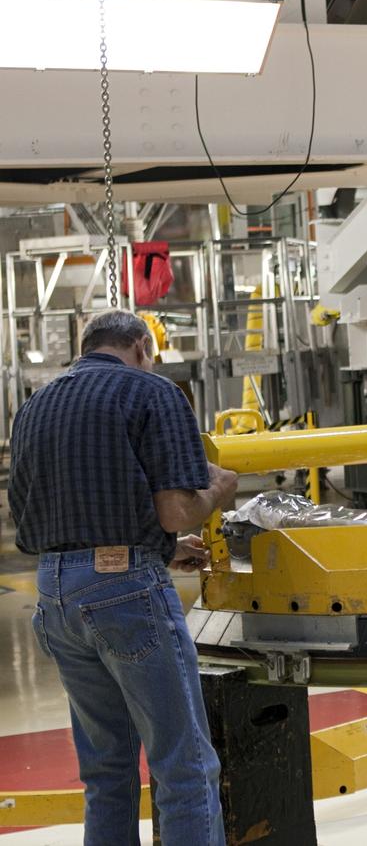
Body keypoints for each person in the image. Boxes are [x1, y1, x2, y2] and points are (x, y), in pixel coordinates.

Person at [8, 309, 239, 846]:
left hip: (55, 592)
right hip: (125, 595)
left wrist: (159, 550)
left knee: (107, 771)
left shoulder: (35, 404)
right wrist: (219, 491)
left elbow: (69, 506)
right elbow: (179, 509)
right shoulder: (151, 392)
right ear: (140, 346)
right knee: (184, 768)